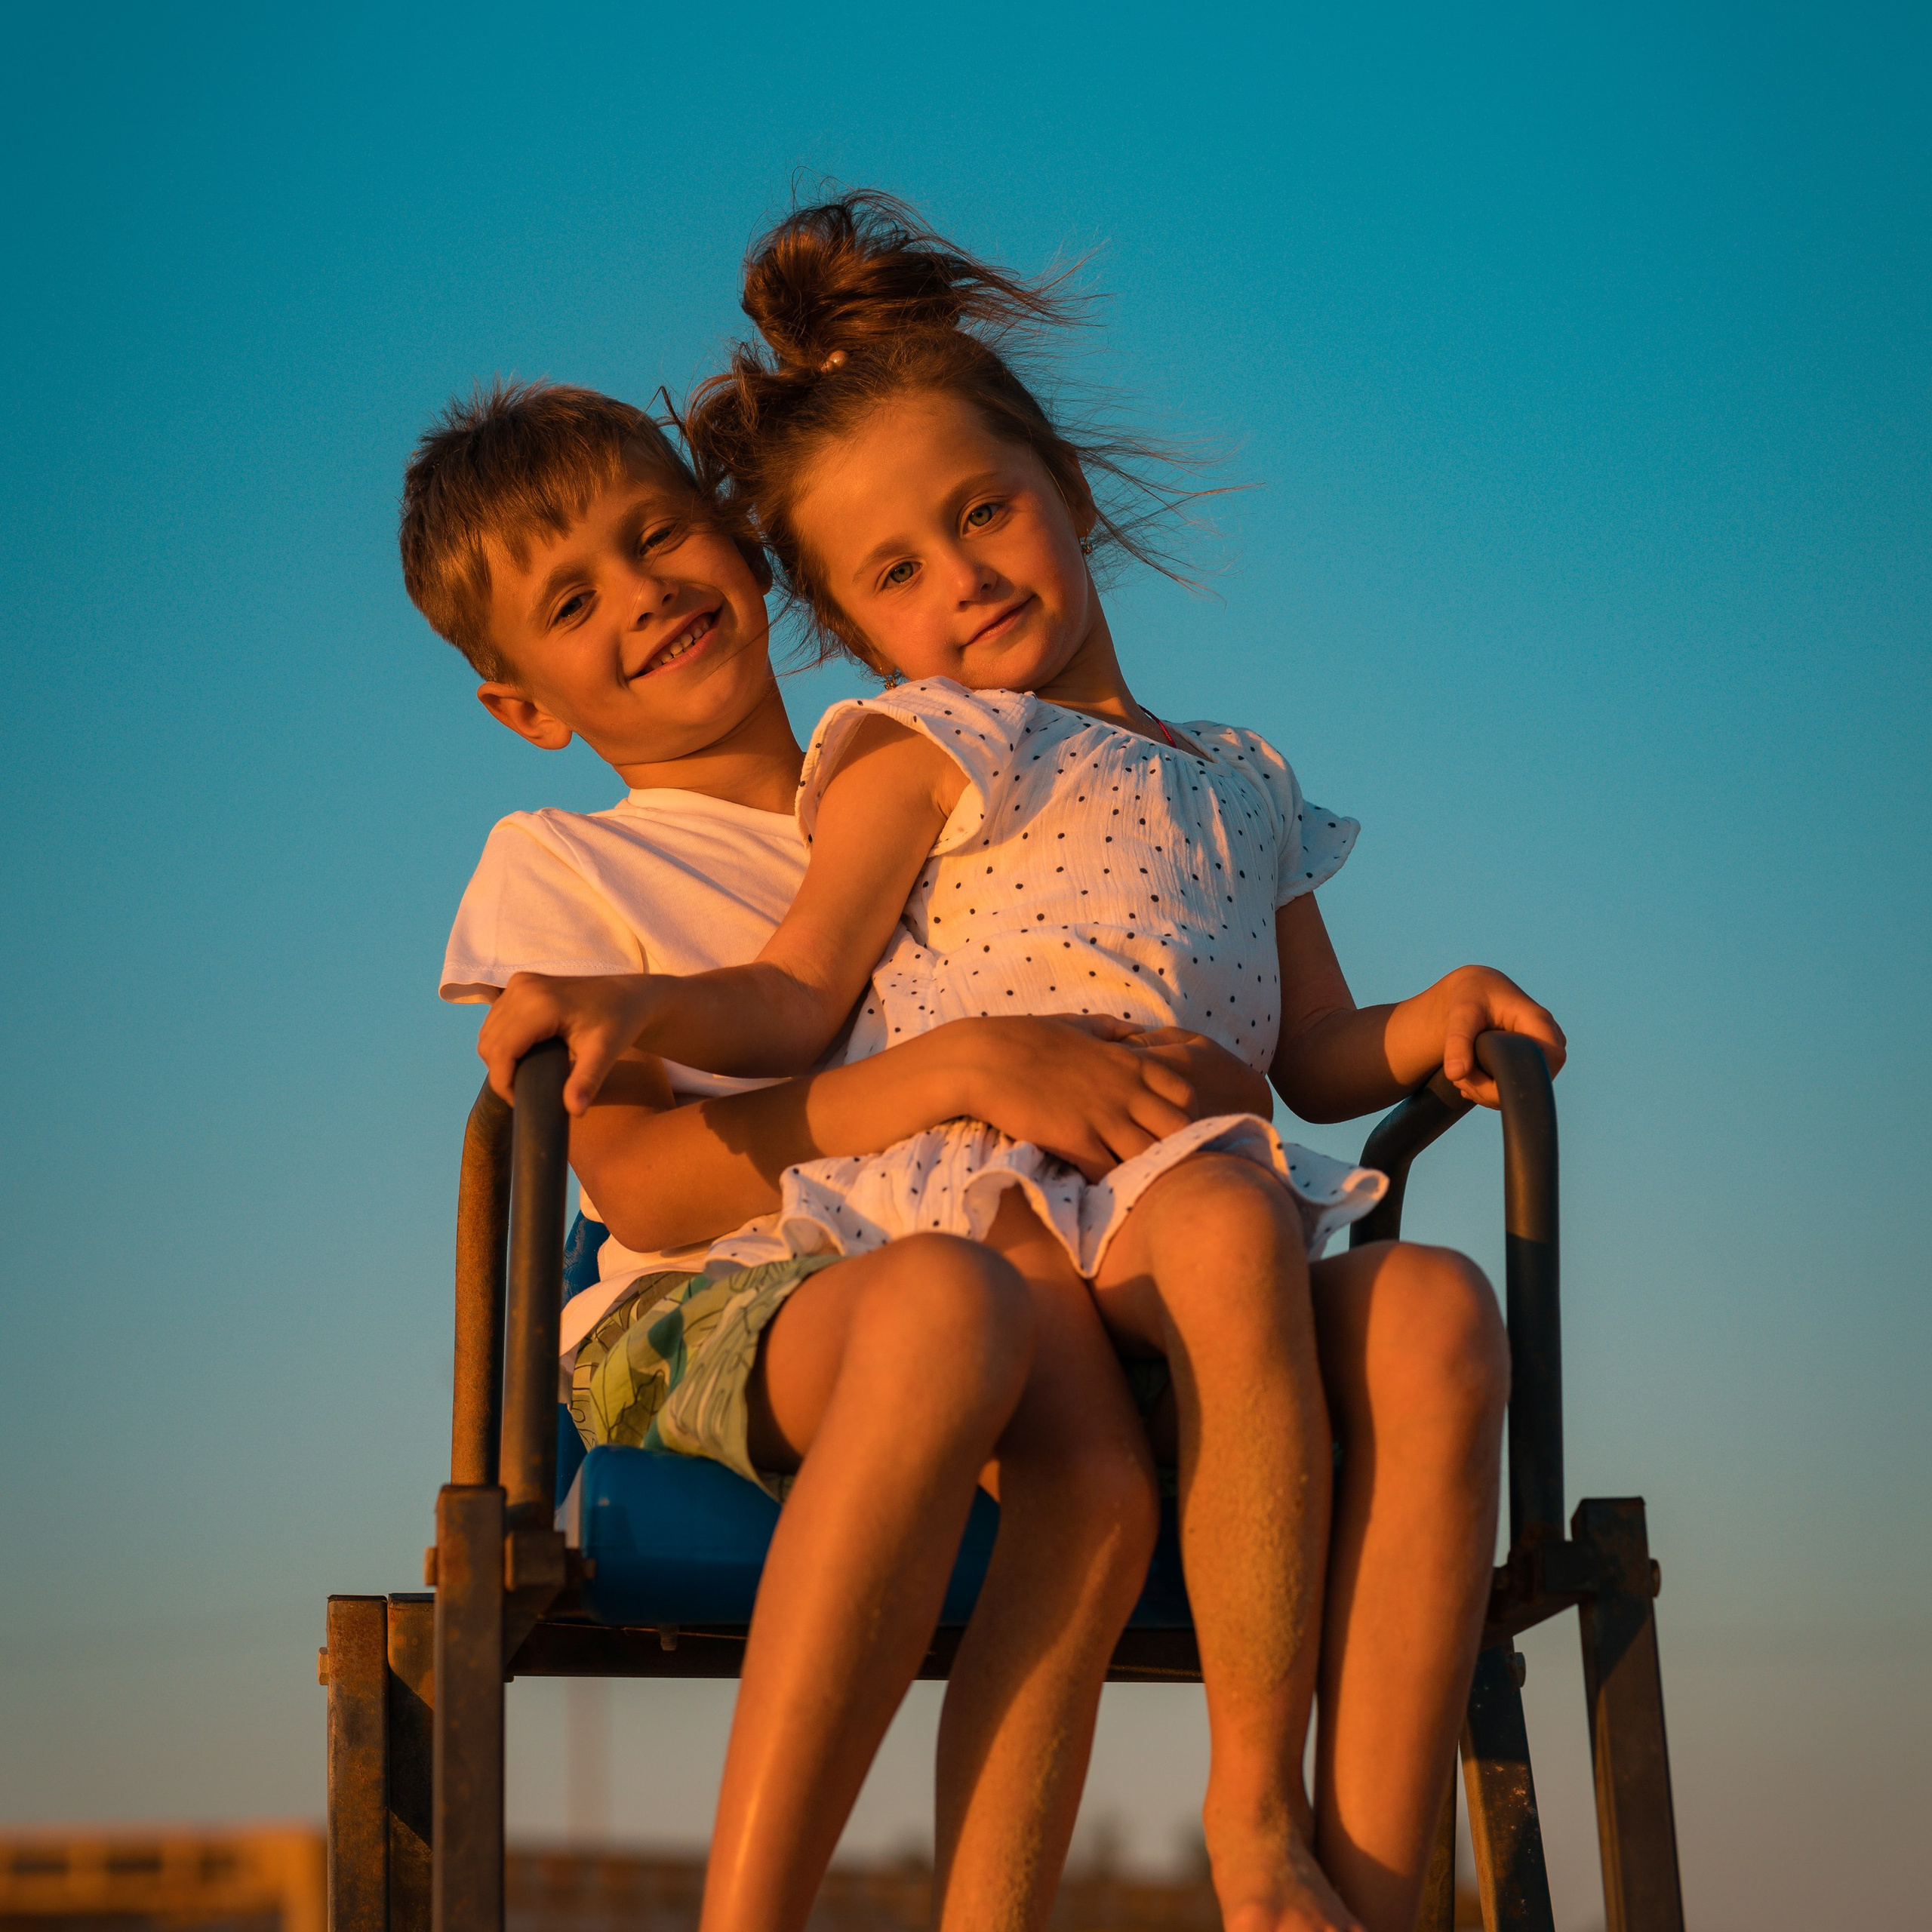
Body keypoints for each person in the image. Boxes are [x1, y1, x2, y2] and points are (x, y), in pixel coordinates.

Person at [483, 195, 1565, 1932]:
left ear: (1063, 485)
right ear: (851, 625)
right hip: (996, 1200)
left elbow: (1310, 1049)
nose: (964, 577)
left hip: (1176, 1189)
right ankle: (1244, 1809)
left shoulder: (1239, 777)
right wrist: (641, 1013)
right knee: (1178, 1308)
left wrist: (1423, 1019)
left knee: (1432, 1304)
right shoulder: (921, 747)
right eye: (896, 572)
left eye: (982, 512)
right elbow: (788, 989)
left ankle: (1354, 1890)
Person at [405, 380, 1275, 1932]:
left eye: (658, 534)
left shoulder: (934, 764)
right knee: (946, 1305)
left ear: (741, 545)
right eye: (573, 601)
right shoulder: (568, 860)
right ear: (524, 705)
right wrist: (945, 1070)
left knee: (1113, 1430)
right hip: (706, 1304)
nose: (644, 594)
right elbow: (641, 1186)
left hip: (1011, 1267)